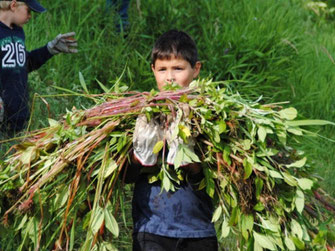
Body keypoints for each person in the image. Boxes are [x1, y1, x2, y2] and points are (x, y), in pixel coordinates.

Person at [128, 29, 219, 251]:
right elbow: (122, 177)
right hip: (151, 230)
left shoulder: (211, 116)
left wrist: (194, 165)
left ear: (196, 69)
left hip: (198, 232)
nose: (169, 77)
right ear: (153, 70)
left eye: (178, 69)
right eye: (162, 69)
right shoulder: (139, 115)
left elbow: (221, 182)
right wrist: (140, 156)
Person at [0, 0, 78, 134]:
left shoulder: (18, 32)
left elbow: (23, 64)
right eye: (28, 10)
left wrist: (49, 49)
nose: (30, 16)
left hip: (19, 115)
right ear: (13, 5)